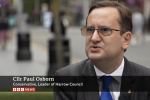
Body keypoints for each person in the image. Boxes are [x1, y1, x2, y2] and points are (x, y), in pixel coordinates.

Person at [54, 1, 150, 100]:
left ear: (125, 39)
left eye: (104, 30)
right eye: (90, 30)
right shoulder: (66, 78)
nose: (94, 38)